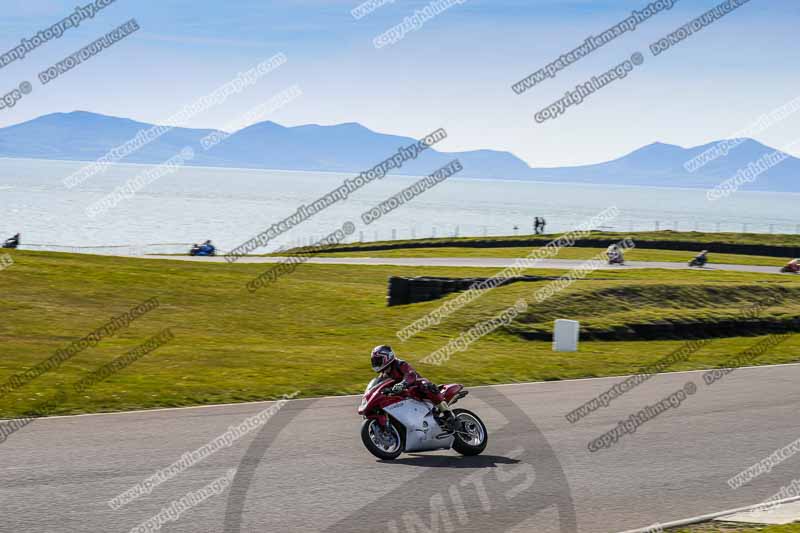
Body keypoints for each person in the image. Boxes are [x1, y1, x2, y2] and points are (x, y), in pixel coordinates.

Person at [370, 345, 455, 427]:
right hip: (404, 394)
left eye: (378, 360)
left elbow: (411, 375)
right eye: (374, 361)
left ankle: (448, 414)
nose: (376, 363)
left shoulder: (400, 364)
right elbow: (379, 386)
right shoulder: (384, 375)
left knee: (426, 386)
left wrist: (403, 384)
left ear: (387, 357)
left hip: (416, 387)